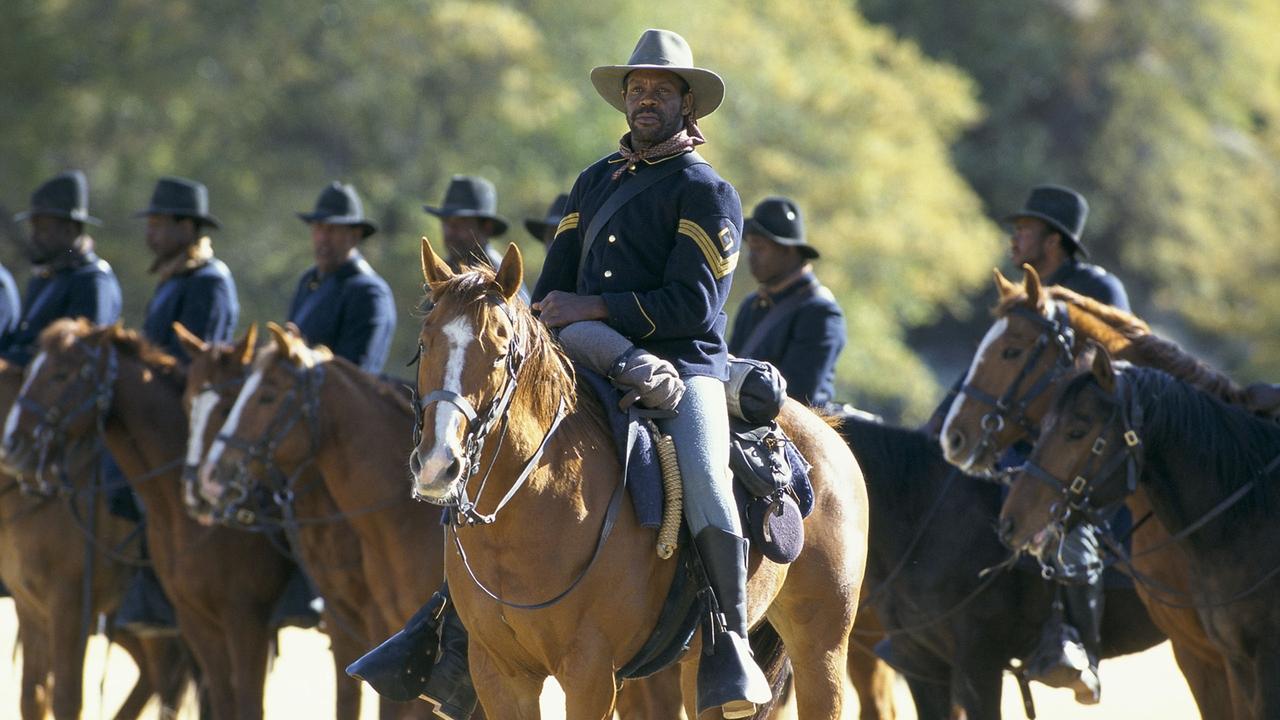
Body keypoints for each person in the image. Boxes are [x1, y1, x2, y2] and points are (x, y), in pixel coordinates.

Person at [350, 28, 769, 720]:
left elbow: (696, 305)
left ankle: (730, 638)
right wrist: (550, 316)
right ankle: (456, 622)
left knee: (704, 473)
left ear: (687, 103)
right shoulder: (595, 180)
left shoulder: (708, 190)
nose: (645, 100)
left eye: (661, 90)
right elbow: (553, 287)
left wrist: (593, 307)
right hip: (578, 350)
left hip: (682, 363)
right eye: (636, 89)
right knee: (486, 452)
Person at [927, 184, 1129, 704]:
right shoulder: (1024, 298)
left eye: (1025, 229)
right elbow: (990, 373)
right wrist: (936, 426)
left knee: (1065, 525)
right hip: (1021, 447)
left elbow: (1119, 369)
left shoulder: (1095, 287)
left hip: (1079, 452)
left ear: (1053, 240)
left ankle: (1078, 646)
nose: (1014, 239)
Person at [116, 176, 241, 636]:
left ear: (188, 227)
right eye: (150, 223)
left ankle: (155, 590)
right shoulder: (175, 278)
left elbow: (196, 356)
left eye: (160, 223)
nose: (151, 233)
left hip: (184, 415)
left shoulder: (210, 280)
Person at [728, 196, 845, 408]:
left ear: (788, 250)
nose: (751, 257)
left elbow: (799, 395)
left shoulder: (819, 312)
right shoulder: (752, 304)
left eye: (759, 248)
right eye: (750, 248)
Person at [1, 170, 121, 365]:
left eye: (43, 229)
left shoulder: (93, 281)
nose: (34, 237)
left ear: (70, 229)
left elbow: (78, 355)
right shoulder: (46, 278)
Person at [288, 181, 395, 374]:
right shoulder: (309, 281)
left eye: (332, 229)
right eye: (319, 228)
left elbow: (353, 375)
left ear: (354, 235)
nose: (323, 237)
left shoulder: (369, 292)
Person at [424, 175, 512, 271]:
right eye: (446, 221)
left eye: (461, 222)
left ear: (487, 227)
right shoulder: (438, 273)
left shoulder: (502, 276)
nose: (450, 231)